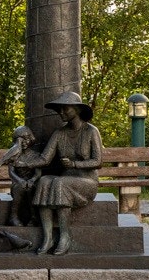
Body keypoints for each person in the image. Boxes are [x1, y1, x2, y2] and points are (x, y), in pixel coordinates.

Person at [29, 92, 102, 256]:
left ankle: (65, 235)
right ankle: (48, 238)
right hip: (66, 179)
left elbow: (98, 161)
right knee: (44, 181)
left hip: (86, 181)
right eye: (59, 110)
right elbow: (44, 158)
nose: (61, 113)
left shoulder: (91, 131)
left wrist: (76, 164)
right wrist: (24, 162)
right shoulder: (59, 133)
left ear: (77, 109)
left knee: (60, 183)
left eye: (65, 109)